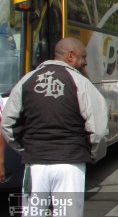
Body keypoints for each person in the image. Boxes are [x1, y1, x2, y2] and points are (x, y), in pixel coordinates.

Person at [1, 37, 108, 217]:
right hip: (71, 164)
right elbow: (97, 130)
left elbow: (8, 124)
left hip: (35, 165)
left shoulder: (26, 81)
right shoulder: (81, 83)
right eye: (83, 57)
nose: (86, 62)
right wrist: (91, 155)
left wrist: (26, 149)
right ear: (71, 56)